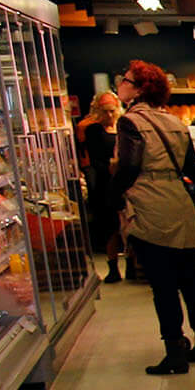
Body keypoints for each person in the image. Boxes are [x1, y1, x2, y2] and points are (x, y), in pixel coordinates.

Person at [106, 61, 195, 375]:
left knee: (163, 283)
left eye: (125, 80)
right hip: (179, 203)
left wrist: (113, 197)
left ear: (140, 88)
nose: (121, 84)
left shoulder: (130, 122)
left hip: (149, 202)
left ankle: (174, 351)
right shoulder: (173, 121)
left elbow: (129, 166)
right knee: (190, 279)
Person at [77, 91, 123, 282]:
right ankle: (113, 267)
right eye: (105, 112)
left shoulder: (123, 126)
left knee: (127, 225)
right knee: (110, 226)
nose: (109, 115)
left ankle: (131, 265)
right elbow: (93, 159)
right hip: (105, 183)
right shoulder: (92, 130)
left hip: (124, 181)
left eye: (112, 111)